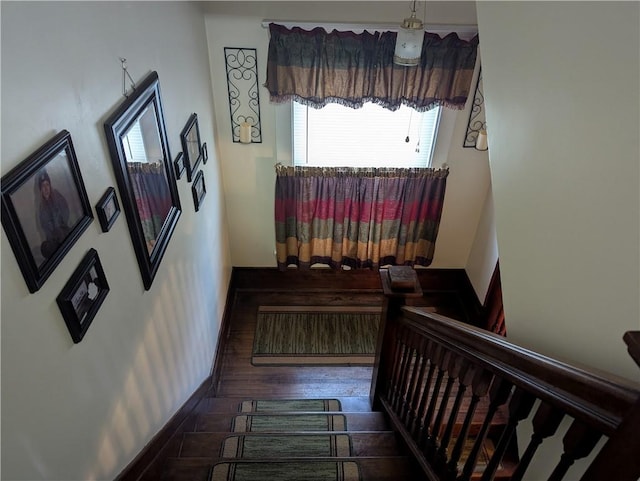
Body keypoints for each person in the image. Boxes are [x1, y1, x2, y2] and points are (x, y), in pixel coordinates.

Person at [36, 170, 70, 259]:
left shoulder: (57, 196)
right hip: (53, 238)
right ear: (41, 190)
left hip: (63, 231)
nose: (46, 188)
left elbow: (65, 212)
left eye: (47, 185)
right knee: (45, 248)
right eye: (43, 186)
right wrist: (52, 236)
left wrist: (59, 227)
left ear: (50, 186)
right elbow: (45, 227)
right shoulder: (41, 208)